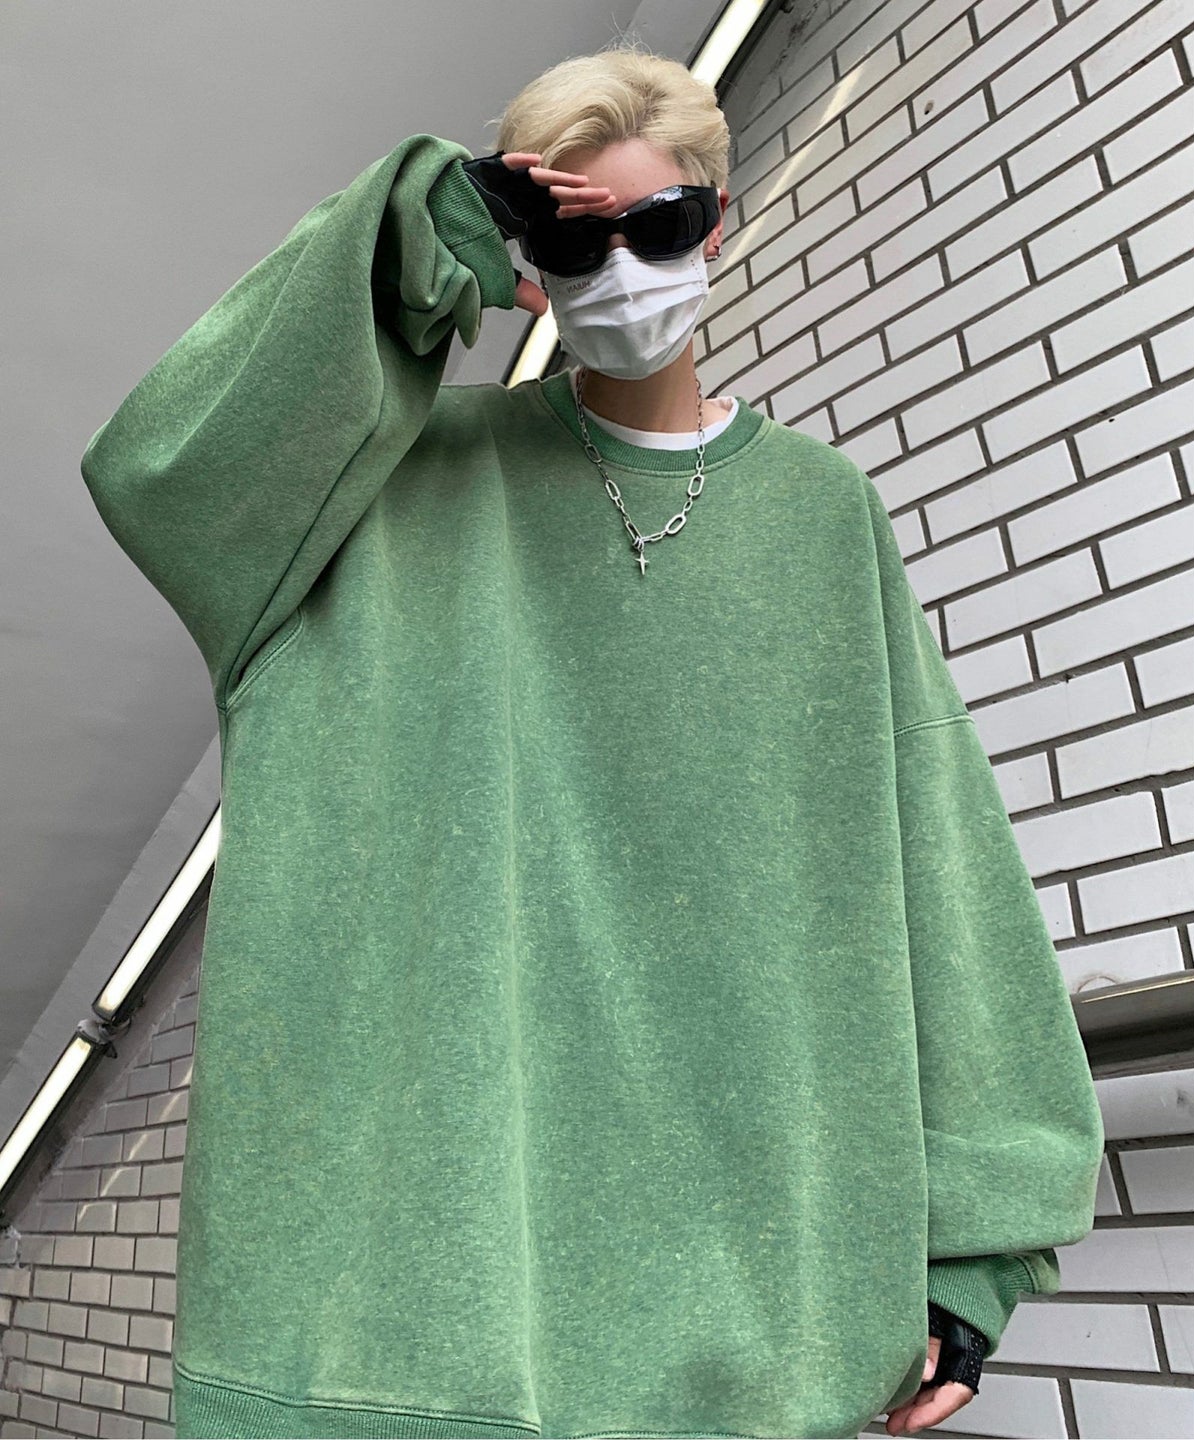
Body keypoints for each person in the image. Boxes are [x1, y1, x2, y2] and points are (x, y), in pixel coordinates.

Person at [79, 37, 1104, 1440]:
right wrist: (417, 231)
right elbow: (163, 471)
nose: (624, 270)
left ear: (719, 225)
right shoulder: (381, 494)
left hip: (758, 1322)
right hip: (401, 1339)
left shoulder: (821, 515)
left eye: (662, 225)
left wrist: (978, 1243)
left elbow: (946, 862)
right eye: (573, 234)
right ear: (524, 253)